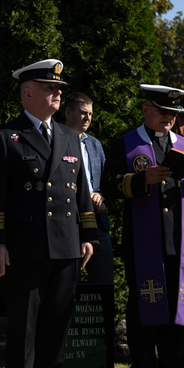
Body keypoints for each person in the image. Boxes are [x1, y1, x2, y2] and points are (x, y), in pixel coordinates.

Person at [0, 59, 96, 368]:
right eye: (50, 88)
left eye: (59, 89)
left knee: (57, 318)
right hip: (25, 244)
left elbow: (80, 192)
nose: (57, 93)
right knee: (25, 320)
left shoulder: (68, 136)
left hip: (65, 242)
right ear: (28, 93)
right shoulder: (5, 136)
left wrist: (87, 235)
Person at [101, 84, 184, 368]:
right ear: (146, 108)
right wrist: (140, 180)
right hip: (144, 241)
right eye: (163, 112)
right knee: (142, 309)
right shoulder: (125, 143)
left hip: (180, 238)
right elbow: (108, 185)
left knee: (178, 306)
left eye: (173, 114)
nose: (168, 119)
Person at [63, 92, 114, 284]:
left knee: (104, 281)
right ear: (68, 112)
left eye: (91, 114)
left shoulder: (94, 144)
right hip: (69, 222)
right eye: (83, 113)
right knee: (67, 283)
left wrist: (101, 195)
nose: (88, 118)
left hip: (97, 221)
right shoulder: (55, 141)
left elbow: (104, 183)